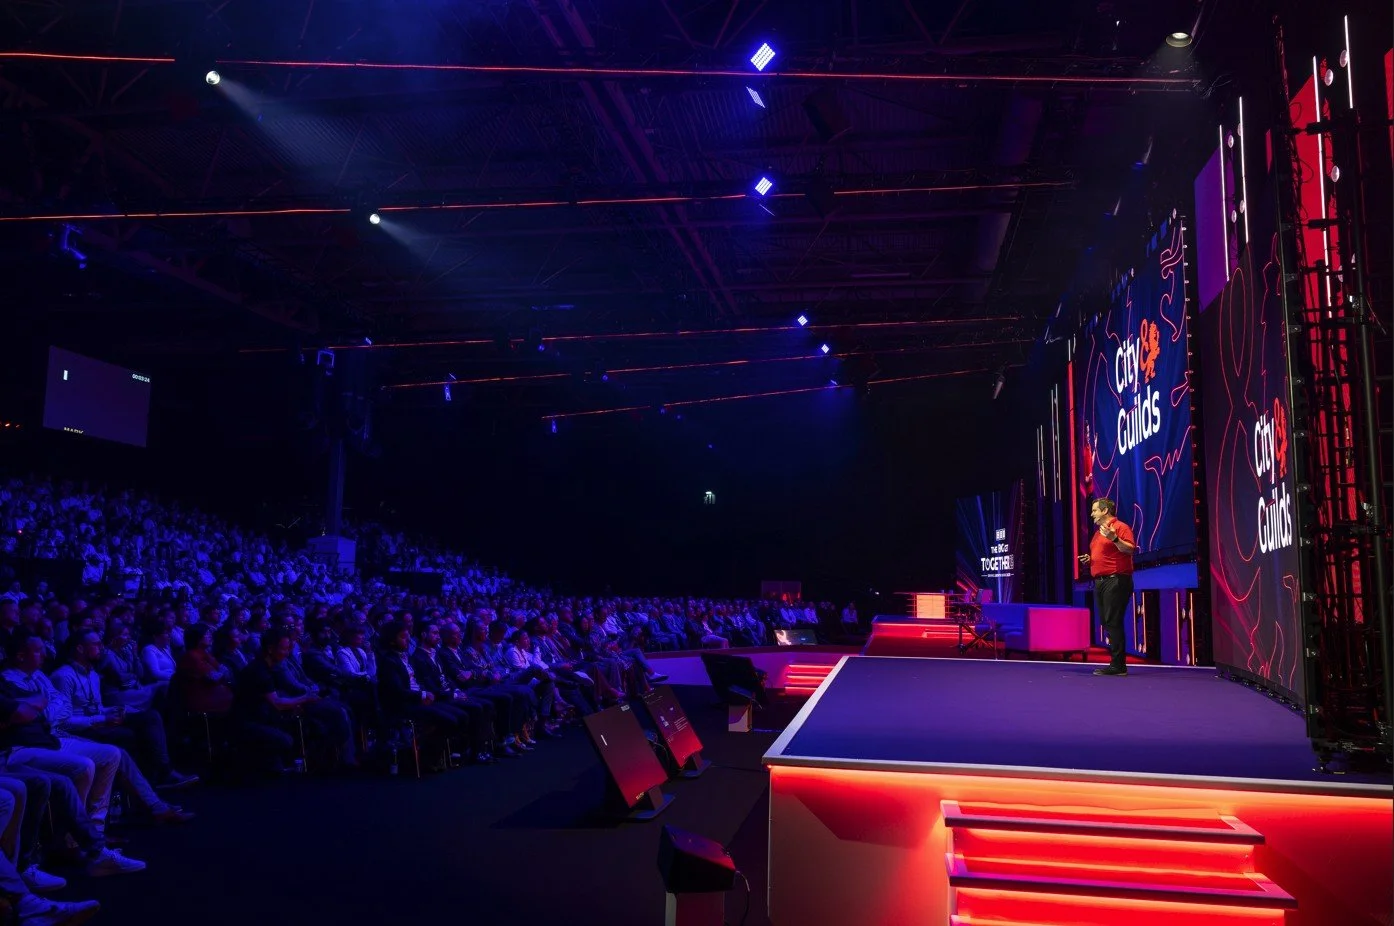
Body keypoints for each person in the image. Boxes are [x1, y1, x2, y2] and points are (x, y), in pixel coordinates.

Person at [1078, 498, 1137, 677]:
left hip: (1116, 579)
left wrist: (1115, 538)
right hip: (1101, 581)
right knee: (1106, 621)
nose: (1092, 514)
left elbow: (1130, 549)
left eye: (1094, 510)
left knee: (1112, 621)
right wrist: (1091, 560)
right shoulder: (1098, 533)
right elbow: (1105, 554)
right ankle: (1117, 663)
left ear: (1105, 511)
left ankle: (1118, 665)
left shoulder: (1120, 527)